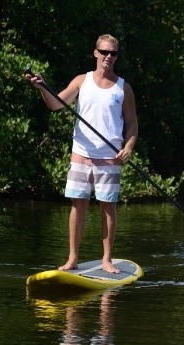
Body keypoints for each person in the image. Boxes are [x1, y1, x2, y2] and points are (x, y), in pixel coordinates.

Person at [26, 34, 138, 273]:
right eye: (104, 52)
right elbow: (56, 104)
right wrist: (42, 87)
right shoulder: (81, 81)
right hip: (81, 152)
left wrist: (128, 148)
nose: (109, 57)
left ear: (116, 57)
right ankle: (73, 259)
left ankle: (107, 259)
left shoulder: (123, 88)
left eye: (113, 53)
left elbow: (132, 124)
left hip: (110, 156)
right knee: (79, 205)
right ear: (95, 53)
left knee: (108, 206)